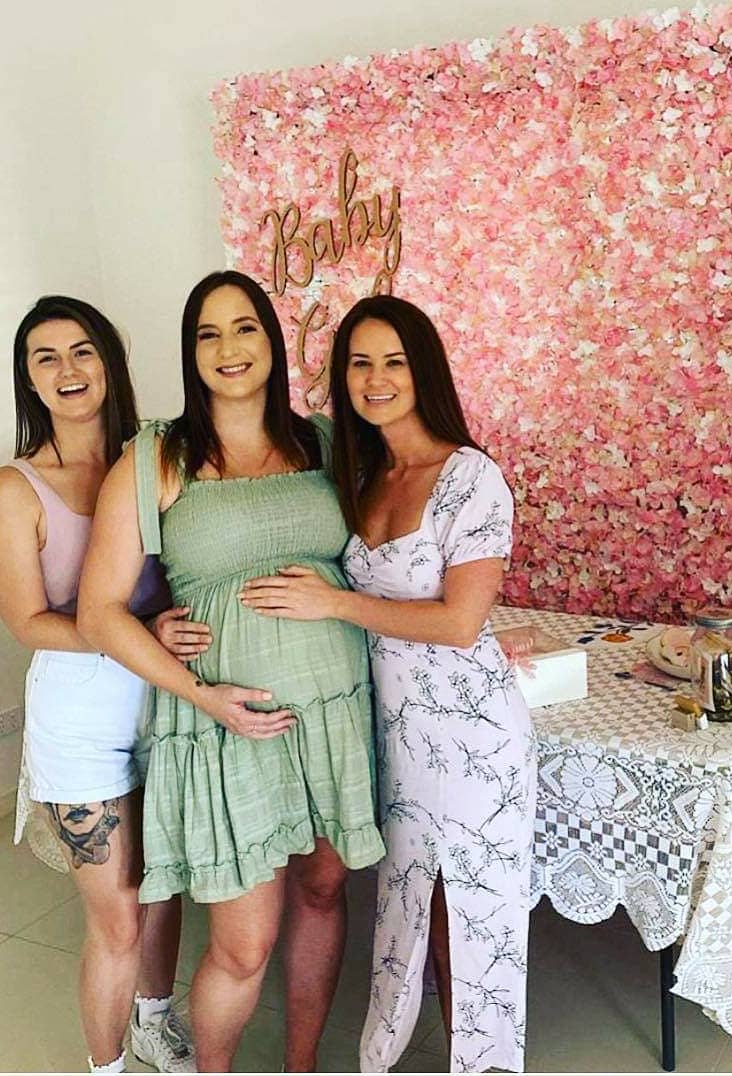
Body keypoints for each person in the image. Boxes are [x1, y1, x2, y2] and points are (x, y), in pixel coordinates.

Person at [77, 271, 384, 1072]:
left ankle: (302, 1067)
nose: (227, 349)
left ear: (271, 341)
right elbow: (98, 610)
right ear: (191, 353)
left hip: (333, 711)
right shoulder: (159, 456)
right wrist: (201, 694)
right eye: (207, 335)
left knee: (322, 892)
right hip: (225, 727)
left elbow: (395, 556)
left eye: (243, 328)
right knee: (244, 944)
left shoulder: (321, 439)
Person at [240, 295, 536, 1073]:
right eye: (359, 363)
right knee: (407, 900)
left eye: (393, 361)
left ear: (424, 369)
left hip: (474, 735)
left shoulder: (471, 477)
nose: (375, 379)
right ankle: (390, 1049)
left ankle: (484, 1064)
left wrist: (332, 601)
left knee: (475, 911)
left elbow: (459, 622)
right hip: (396, 731)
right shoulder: (364, 472)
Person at [0, 296, 202, 1074]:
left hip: (166, 697)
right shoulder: (19, 487)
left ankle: (154, 1020)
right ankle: (106, 1067)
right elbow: (28, 620)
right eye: (45, 357)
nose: (67, 370)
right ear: (29, 379)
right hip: (80, 717)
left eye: (81, 351)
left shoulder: (155, 457)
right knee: (115, 916)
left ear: (109, 362)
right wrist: (131, 634)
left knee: (163, 882)